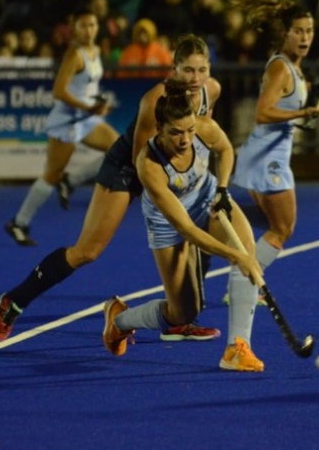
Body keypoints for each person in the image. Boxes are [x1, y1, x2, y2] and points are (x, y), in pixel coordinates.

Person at [0, 34, 223, 342]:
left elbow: (201, 141)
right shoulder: (155, 99)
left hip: (166, 176)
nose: (195, 79)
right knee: (87, 251)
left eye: (201, 70)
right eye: (188, 70)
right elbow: (144, 160)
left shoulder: (212, 91)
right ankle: (14, 300)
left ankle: (180, 317)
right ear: (174, 69)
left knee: (187, 239)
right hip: (129, 170)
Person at [103, 78, 265, 371]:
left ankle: (237, 349)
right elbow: (186, 229)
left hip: (206, 200)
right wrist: (235, 256)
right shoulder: (149, 165)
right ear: (159, 129)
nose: (186, 140)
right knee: (183, 313)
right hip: (169, 225)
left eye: (190, 131)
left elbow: (226, 149)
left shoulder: (202, 129)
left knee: (247, 247)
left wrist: (223, 190)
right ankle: (119, 320)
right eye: (176, 133)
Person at [227, 0, 319, 302]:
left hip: (268, 155)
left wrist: (311, 108)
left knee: (274, 224)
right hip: (267, 158)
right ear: (285, 33)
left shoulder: (294, 69)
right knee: (283, 227)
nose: (305, 37)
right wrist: (303, 112)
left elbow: (287, 115)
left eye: (309, 31)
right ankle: (242, 283)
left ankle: (238, 277)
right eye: (298, 31)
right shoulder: (282, 68)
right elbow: (263, 112)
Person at [5, 9, 119, 245]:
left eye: (93, 25)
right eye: (84, 25)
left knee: (120, 149)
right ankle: (19, 222)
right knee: (51, 175)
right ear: (75, 28)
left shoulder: (95, 51)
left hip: (87, 119)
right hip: (67, 121)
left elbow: (87, 88)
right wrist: (87, 107)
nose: (89, 30)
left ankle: (72, 181)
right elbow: (58, 91)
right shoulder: (74, 54)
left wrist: (97, 104)